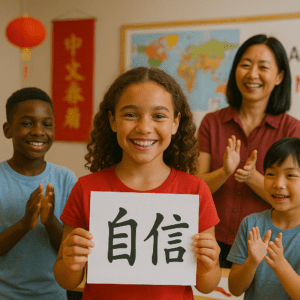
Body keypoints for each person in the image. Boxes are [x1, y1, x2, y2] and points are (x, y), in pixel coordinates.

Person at [54, 67, 221, 300]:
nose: (144, 127)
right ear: (112, 120)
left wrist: (210, 263)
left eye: (159, 116)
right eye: (131, 114)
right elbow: (66, 279)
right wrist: (70, 260)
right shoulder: (86, 188)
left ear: (175, 123)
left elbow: (206, 285)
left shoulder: (195, 191)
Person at [197, 34, 300, 268]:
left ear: (279, 76)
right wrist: (224, 172)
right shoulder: (211, 123)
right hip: (211, 241)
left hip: (266, 246)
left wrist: (252, 178)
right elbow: (196, 187)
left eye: (263, 67)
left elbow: (294, 198)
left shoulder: (293, 129)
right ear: (235, 71)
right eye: (245, 65)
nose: (252, 74)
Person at [0, 88, 77, 300]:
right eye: (27, 123)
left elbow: (71, 250)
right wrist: (25, 224)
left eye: (47, 124)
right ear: (8, 130)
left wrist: (50, 220)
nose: (38, 131)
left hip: (54, 295)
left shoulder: (66, 179)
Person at [227, 137, 300, 299]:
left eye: (291, 175)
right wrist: (252, 262)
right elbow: (235, 289)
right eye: (271, 174)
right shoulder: (252, 223)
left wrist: (280, 264)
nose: (278, 184)